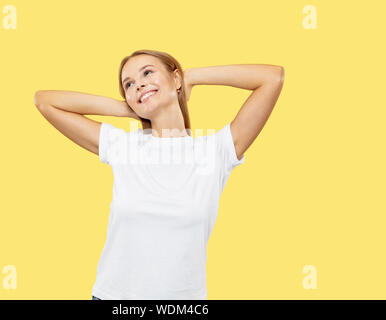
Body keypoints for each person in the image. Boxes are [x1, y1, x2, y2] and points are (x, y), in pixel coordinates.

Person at [33, 49, 285, 300]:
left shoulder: (215, 151)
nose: (139, 84)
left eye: (148, 73)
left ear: (175, 80)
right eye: (129, 84)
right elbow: (44, 101)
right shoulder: (124, 146)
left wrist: (192, 76)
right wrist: (127, 108)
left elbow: (272, 78)